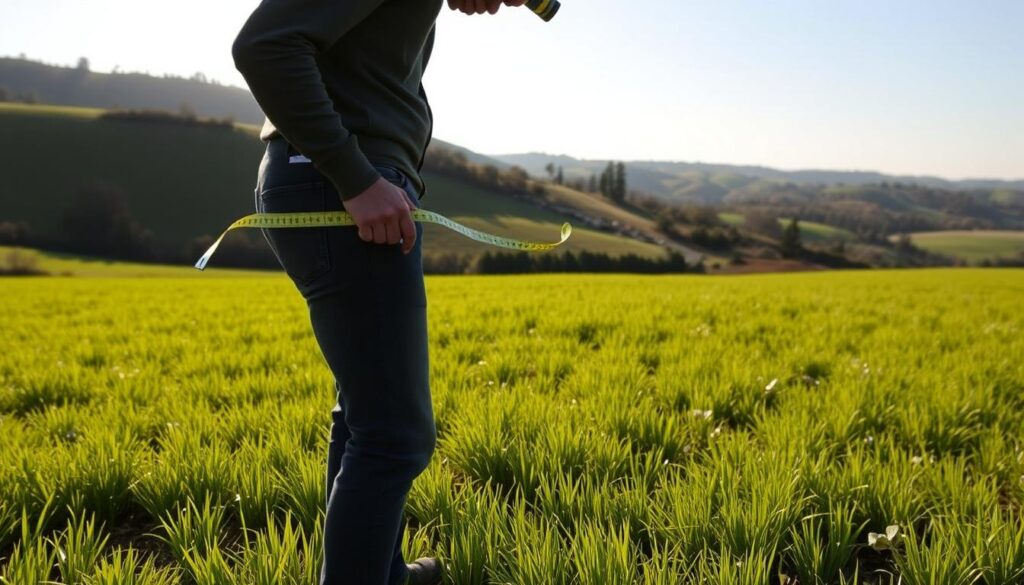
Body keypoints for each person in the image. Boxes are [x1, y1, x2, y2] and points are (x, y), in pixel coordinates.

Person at [231, 0, 527, 584]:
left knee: (367, 415)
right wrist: (358, 177)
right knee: (396, 435)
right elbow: (263, 46)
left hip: (326, 184)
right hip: (339, 189)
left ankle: (380, 572)